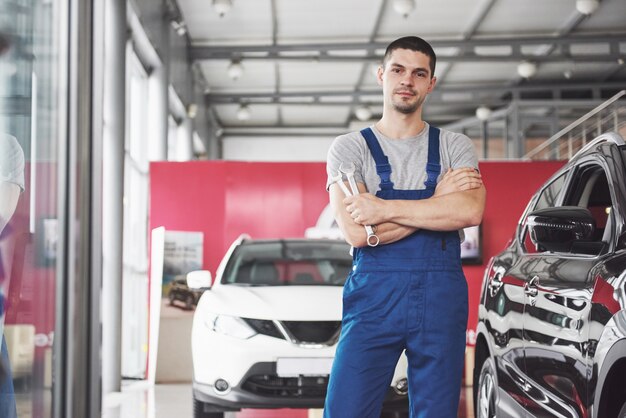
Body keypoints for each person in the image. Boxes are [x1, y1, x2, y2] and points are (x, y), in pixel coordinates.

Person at [324, 36, 486, 418]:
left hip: (441, 296)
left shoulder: (454, 146)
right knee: (345, 409)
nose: (406, 80)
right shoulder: (349, 149)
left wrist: (381, 209)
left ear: (431, 83)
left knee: (437, 411)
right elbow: (357, 233)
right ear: (382, 75)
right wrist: (436, 202)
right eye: (397, 70)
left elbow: (469, 212)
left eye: (419, 73)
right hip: (374, 297)